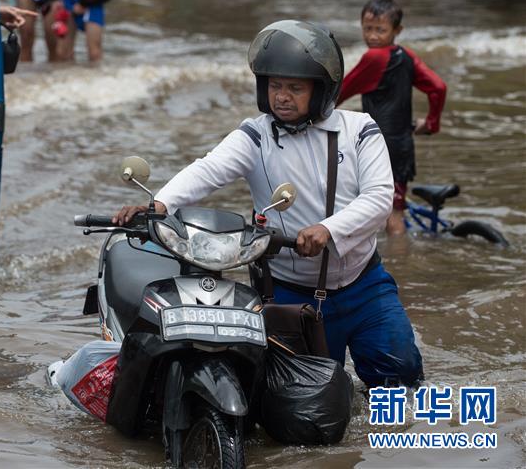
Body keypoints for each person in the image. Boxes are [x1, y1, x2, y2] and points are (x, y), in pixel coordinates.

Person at [114, 20, 424, 388]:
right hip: (289, 294)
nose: (282, 96)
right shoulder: (256, 135)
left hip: (364, 287)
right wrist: (161, 204)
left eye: (295, 87)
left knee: (402, 381)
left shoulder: (360, 130)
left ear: (322, 90)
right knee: (301, 409)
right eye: (275, 86)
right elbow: (208, 169)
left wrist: (328, 229)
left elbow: (378, 199)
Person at [337, 0, 447, 236]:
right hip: (402, 145)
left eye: (380, 30)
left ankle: (399, 262)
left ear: (397, 30)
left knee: (390, 214)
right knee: (394, 205)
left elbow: (340, 92)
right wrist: (430, 123)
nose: (373, 36)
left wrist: (315, 114)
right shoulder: (406, 57)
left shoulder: (374, 58)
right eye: (368, 29)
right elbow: (438, 88)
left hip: (378, 147)